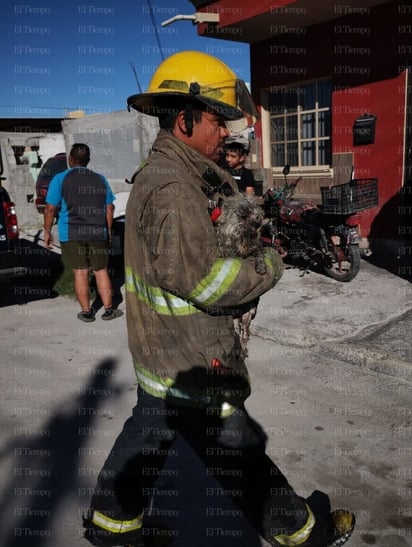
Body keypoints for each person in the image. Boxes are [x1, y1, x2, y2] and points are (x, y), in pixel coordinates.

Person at [83, 51, 355, 546]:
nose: (224, 133)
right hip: (190, 353)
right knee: (237, 449)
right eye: (216, 120)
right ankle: (300, 531)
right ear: (184, 117)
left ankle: (112, 524)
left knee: (151, 430)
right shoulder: (172, 188)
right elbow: (204, 280)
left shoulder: (176, 175)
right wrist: (267, 265)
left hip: (163, 352)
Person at [43, 143, 123, 322]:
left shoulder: (60, 179)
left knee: (80, 272)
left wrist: (47, 231)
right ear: (88, 161)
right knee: (101, 270)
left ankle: (87, 312)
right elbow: (109, 207)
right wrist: (108, 230)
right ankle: (109, 310)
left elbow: (49, 209)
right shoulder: (99, 179)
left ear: (70, 160)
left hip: (71, 233)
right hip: (97, 231)